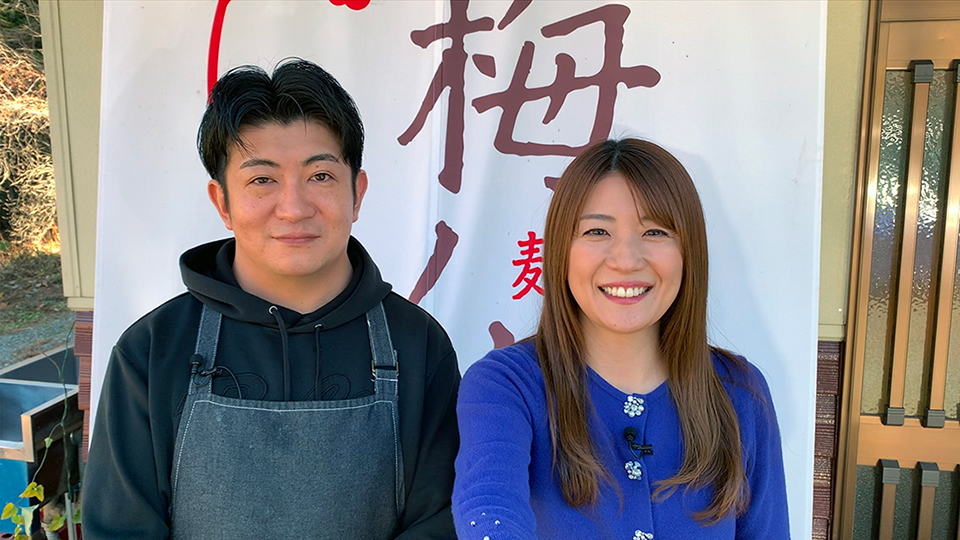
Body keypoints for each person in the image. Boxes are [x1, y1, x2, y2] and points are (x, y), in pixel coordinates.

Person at [83, 59, 460, 539]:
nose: (294, 207)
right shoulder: (153, 350)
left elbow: (440, 523)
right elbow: (119, 529)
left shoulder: (418, 343)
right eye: (262, 180)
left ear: (357, 194)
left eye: (320, 176)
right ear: (222, 202)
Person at [452, 139, 789, 539]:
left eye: (655, 231)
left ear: (688, 252)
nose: (626, 259)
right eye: (597, 231)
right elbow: (488, 512)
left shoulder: (739, 393)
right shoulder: (505, 385)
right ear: (561, 250)